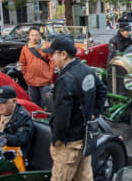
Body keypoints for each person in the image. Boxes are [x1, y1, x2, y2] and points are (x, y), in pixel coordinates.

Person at [43, 35, 107, 181]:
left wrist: (56, 139)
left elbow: (62, 116)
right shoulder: (86, 69)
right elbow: (102, 91)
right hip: (85, 137)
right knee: (85, 177)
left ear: (63, 54)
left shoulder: (65, 79)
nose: (51, 58)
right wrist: (93, 114)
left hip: (69, 144)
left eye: (52, 54)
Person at [0, 85, 33, 159]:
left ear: (14, 101)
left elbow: (21, 139)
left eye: (2, 103)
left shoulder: (23, 117)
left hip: (14, 156)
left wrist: (0, 137)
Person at [19, 27, 55, 112]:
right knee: (34, 104)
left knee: (46, 104)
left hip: (45, 81)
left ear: (40, 36)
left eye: (36, 35)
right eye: (32, 35)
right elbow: (22, 63)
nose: (34, 37)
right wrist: (26, 76)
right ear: (29, 36)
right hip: (31, 81)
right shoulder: (25, 48)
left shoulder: (46, 46)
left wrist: (50, 75)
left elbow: (52, 61)